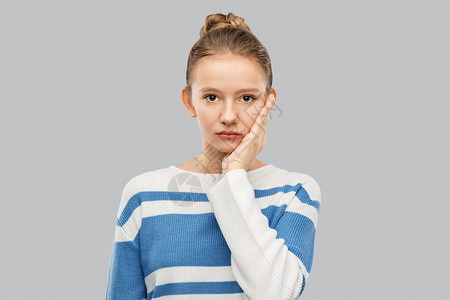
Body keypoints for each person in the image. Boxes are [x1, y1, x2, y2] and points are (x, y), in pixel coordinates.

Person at [105, 12, 322, 300]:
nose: (229, 116)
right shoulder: (144, 196)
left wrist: (234, 175)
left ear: (269, 103)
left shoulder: (295, 193)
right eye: (211, 97)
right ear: (188, 101)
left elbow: (277, 294)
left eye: (247, 98)